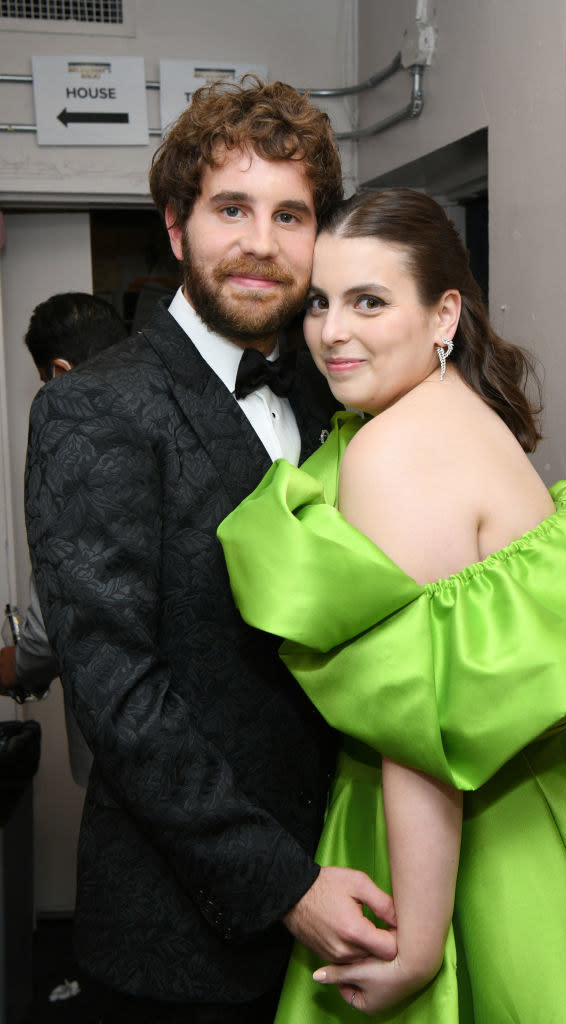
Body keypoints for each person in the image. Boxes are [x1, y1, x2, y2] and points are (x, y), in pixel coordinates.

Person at [219, 188, 566, 1022]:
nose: (332, 331)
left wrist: (418, 944)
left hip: (476, 840)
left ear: (443, 316)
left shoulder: (395, 450)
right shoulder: (462, 415)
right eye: (321, 303)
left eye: (369, 301)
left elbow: (422, 727)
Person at [24, 82, 396, 1024]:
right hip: (180, 942)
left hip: (354, 885)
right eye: (232, 208)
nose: (262, 244)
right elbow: (119, 695)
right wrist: (283, 885)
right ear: (177, 225)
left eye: (290, 214)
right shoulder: (92, 407)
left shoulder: (335, 393)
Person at [1, 291, 127, 786]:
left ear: (59, 371)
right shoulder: (163, 415)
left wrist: (14, 666)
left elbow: (52, 624)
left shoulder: (74, 446)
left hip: (115, 733)